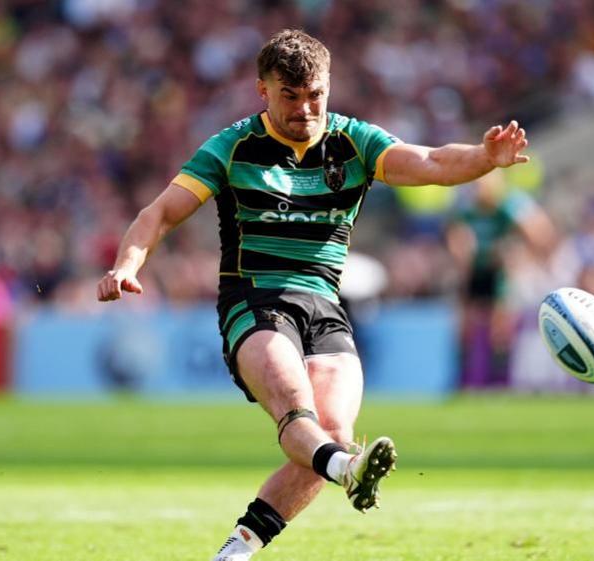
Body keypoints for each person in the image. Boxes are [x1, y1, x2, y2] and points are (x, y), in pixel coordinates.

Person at [96, 29, 530, 561]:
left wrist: (486, 158)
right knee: (299, 417)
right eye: (290, 96)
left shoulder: (355, 142)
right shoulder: (231, 148)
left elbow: (435, 163)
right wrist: (126, 266)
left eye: (315, 95)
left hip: (325, 306)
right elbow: (159, 214)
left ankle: (235, 553)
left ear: (329, 86)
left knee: (335, 433)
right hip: (253, 301)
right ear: (263, 90)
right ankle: (348, 471)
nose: (305, 108)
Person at [446, 170, 553, 387]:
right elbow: (454, 232)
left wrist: (520, 258)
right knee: (464, 327)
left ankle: (500, 382)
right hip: (477, 270)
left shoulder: (508, 206)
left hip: (499, 272)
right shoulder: (468, 208)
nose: (478, 189)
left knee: (500, 327)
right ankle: (463, 381)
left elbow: (538, 232)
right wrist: (461, 254)